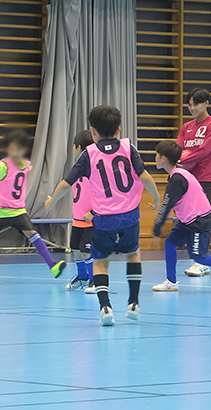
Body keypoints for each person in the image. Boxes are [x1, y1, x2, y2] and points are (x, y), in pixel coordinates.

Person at [46, 106, 160, 326]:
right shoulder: (128, 147)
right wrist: (155, 197)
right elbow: (145, 176)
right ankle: (133, 302)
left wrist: (52, 201)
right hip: (129, 215)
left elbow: (66, 183)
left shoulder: (89, 153)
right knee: (133, 255)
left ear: (93, 131)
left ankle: (105, 307)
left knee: (100, 263)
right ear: (118, 130)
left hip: (104, 217)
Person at [0, 129, 66, 278]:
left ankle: (53, 266)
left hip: (17, 210)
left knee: (34, 235)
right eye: (13, 149)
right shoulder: (2, 166)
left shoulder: (26, 164)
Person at [151, 140, 211, 292]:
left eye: (157, 155)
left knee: (199, 257)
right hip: (187, 220)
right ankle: (171, 282)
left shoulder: (177, 178)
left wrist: (157, 226)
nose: (155, 157)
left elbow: (167, 204)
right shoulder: (178, 174)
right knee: (170, 244)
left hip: (198, 221)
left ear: (163, 158)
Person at [177, 88, 211, 278]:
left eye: (196, 104)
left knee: (201, 221)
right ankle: (199, 259)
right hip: (186, 179)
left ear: (206, 103)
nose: (192, 108)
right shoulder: (186, 127)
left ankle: (201, 262)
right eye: (189, 104)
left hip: (204, 179)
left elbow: (204, 151)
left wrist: (181, 160)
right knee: (188, 220)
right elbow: (178, 148)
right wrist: (175, 160)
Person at [65, 130, 95, 293]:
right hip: (78, 219)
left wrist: (94, 212)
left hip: (91, 220)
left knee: (85, 250)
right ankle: (82, 277)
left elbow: (104, 194)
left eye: (74, 146)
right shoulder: (78, 168)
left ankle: (94, 281)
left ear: (78, 147)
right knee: (76, 249)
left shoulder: (93, 168)